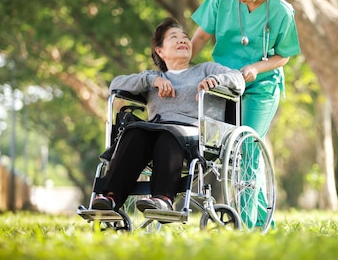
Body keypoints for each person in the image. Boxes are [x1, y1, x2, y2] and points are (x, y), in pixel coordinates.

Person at [190, 0, 301, 227]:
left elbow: (283, 56)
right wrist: (179, 68)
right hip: (224, 84)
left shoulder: (281, 11)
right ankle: (264, 221)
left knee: (248, 147)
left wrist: (256, 67)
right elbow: (202, 35)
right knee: (226, 149)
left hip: (261, 86)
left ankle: (248, 224)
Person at [92, 17, 245, 212]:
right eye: (174, 37)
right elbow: (115, 85)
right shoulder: (154, 78)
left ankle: (163, 198)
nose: (182, 40)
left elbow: (238, 80)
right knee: (135, 132)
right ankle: (109, 197)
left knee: (168, 134)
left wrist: (215, 80)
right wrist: (151, 80)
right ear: (160, 50)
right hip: (156, 129)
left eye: (185, 37)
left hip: (194, 135)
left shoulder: (205, 70)